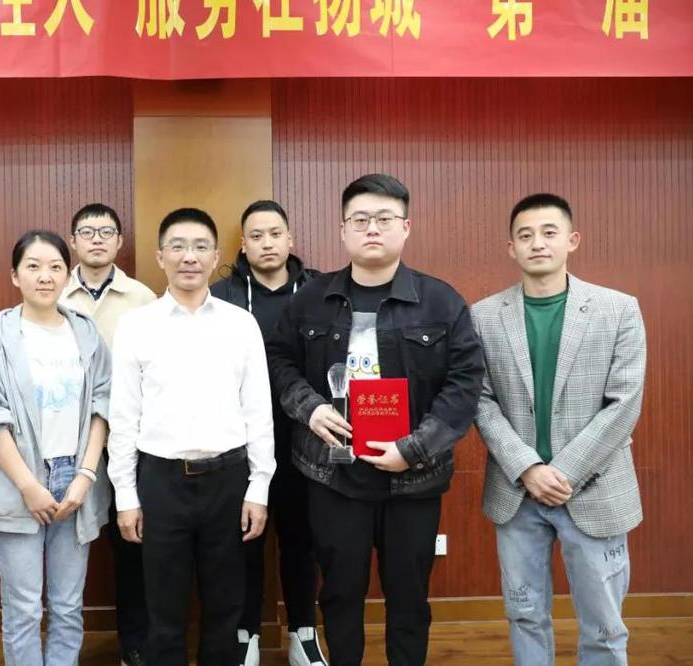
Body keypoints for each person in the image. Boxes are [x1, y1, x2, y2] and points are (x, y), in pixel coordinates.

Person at [267, 174, 484, 666]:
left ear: (405, 227)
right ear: (343, 229)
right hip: (333, 475)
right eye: (360, 219)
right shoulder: (311, 299)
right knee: (339, 595)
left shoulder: (441, 301)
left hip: (413, 478)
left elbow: (465, 383)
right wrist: (310, 408)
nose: (371, 228)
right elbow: (279, 361)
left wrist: (414, 448)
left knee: (409, 599)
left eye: (384, 219)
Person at [472, 193, 646, 666]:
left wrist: (562, 471)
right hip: (517, 493)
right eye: (525, 235)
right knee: (524, 614)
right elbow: (480, 401)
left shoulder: (619, 309)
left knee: (605, 626)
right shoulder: (483, 316)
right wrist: (529, 468)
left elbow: (624, 404)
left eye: (549, 233)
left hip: (595, 489)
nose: (537, 244)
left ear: (572, 240)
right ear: (511, 248)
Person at [108, 208, 276, 666]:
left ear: (216, 256)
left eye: (201, 247)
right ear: (160, 256)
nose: (189, 257)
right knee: (163, 612)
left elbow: (258, 412)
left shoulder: (240, 324)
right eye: (178, 247)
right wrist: (126, 495)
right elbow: (123, 417)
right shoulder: (136, 326)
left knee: (226, 609)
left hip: (229, 480)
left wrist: (259, 488)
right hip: (160, 482)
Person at [0, 230, 112, 666]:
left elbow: (103, 404)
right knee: (24, 608)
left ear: (67, 275)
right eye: (33, 266)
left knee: (68, 605)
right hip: (18, 480)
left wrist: (86, 476)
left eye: (55, 267)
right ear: (15, 275)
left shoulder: (85, 332)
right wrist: (29, 486)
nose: (45, 276)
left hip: (76, 480)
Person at [210, 200, 325, 666]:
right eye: (256, 236)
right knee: (244, 541)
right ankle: (246, 635)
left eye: (275, 233)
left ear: (290, 238)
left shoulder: (318, 290)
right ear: (243, 244)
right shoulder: (221, 296)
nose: (267, 243)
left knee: (302, 540)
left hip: (305, 439)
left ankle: (303, 633)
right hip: (239, 445)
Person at [60, 203, 156, 665]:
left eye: (106, 232)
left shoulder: (143, 298)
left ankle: (134, 644)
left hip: (126, 440)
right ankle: (61, 647)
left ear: (120, 241)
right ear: (73, 241)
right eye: (87, 231)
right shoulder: (53, 291)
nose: (96, 239)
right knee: (64, 541)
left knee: (132, 544)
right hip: (64, 440)